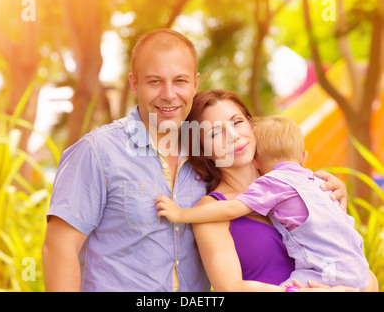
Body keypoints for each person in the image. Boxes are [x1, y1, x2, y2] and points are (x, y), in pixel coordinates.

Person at [42, 29, 349, 292]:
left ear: (195, 83)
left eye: (180, 81)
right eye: (154, 82)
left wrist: (328, 190)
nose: (169, 94)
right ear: (134, 84)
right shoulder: (98, 152)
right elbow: (60, 248)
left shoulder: (205, 161)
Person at [156, 114, 370, 291]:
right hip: (350, 270)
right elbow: (230, 288)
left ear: (255, 154)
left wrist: (181, 214)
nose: (232, 136)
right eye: (215, 133)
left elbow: (231, 209)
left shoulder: (278, 185)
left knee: (295, 284)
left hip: (333, 274)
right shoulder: (311, 181)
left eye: (237, 122)